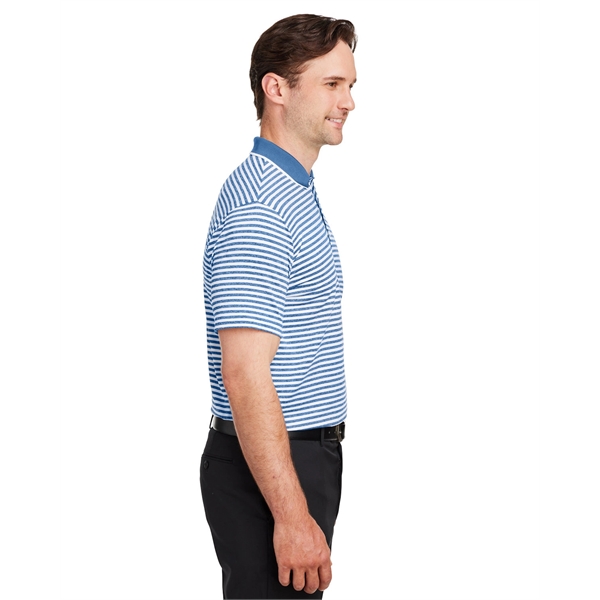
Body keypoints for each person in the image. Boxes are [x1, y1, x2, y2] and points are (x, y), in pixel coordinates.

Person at [200, 13, 357, 599]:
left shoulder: (290, 189)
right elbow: (245, 373)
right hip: (272, 470)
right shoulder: (262, 206)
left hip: (292, 460)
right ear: (277, 88)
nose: (348, 102)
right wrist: (291, 515)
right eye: (332, 84)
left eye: (350, 85)